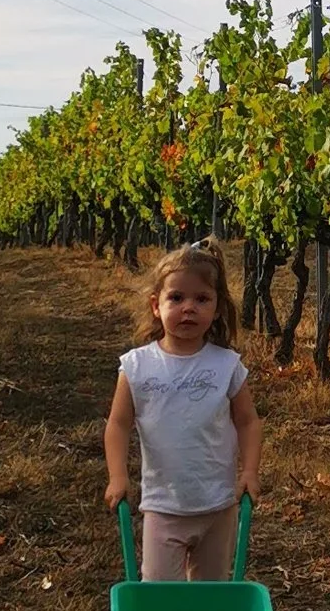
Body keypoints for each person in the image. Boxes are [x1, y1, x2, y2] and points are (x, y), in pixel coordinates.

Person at [103, 243, 263, 579]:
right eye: (176, 298)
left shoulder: (226, 365)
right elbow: (118, 424)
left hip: (218, 505)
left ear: (217, 308)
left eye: (201, 299)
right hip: (164, 506)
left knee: (209, 591)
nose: (188, 308)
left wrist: (249, 472)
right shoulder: (137, 366)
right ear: (156, 306)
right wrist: (118, 475)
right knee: (160, 591)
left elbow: (247, 422)